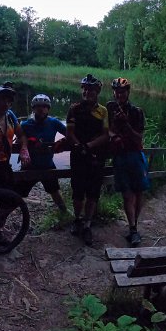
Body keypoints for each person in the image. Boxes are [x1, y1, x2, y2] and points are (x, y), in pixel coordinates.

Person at [65, 74, 110, 246]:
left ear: (97, 91)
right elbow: (69, 133)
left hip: (96, 157)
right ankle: (77, 219)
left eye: (90, 89)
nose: (86, 91)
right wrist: (79, 147)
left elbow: (106, 135)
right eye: (84, 88)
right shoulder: (74, 109)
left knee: (93, 193)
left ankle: (88, 224)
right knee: (78, 192)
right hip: (78, 155)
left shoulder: (103, 111)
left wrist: (89, 146)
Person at [106, 77, 150, 247]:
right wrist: (114, 136)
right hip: (120, 156)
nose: (119, 94)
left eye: (122, 92)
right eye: (116, 91)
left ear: (128, 92)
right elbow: (107, 130)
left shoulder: (136, 111)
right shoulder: (110, 107)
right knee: (126, 194)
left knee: (139, 192)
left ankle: (135, 225)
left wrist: (126, 125)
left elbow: (139, 137)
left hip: (135, 154)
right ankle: (132, 228)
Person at [16, 94, 68, 214]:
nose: (41, 109)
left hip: (47, 165)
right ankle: (1, 218)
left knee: (55, 192)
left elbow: (69, 134)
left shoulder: (54, 123)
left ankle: (65, 214)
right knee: (18, 194)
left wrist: (64, 141)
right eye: (38, 106)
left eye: (44, 106)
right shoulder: (25, 125)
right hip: (29, 166)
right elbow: (18, 140)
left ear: (48, 108)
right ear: (33, 108)